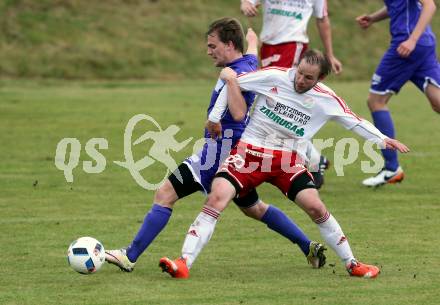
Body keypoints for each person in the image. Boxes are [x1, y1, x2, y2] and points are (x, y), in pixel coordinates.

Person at [159, 49, 410, 279]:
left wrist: (383, 139)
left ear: (320, 78)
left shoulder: (327, 99)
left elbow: (354, 121)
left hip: (287, 160)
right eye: (300, 73)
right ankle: (183, 263)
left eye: (308, 78)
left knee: (315, 206)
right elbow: (232, 83)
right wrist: (214, 118)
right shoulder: (275, 76)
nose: (300, 80)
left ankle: (352, 263)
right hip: (249, 153)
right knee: (217, 198)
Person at [105, 17, 326, 274]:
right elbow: (252, 54)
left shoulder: (239, 73)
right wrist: (253, 40)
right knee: (254, 208)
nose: (209, 51)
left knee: (165, 194)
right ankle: (307, 245)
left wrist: (217, 115)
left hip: (220, 149)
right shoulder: (248, 62)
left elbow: (239, 113)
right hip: (237, 151)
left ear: (229, 45)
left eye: (213, 46)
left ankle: (129, 256)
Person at [240, 0, 342, 188]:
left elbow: (322, 19)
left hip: (293, 45)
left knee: (281, 106)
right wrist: (246, 4)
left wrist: (329, 54)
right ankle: (315, 159)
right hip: (269, 45)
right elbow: (248, 2)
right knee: (271, 104)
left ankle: (310, 162)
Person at [357, 0, 440, 187]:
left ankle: (391, 168)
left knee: (376, 101)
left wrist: (412, 39)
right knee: (438, 103)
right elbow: (397, 5)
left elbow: (430, 5)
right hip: (422, 45)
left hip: (406, 46)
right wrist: (373, 18)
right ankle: (391, 169)